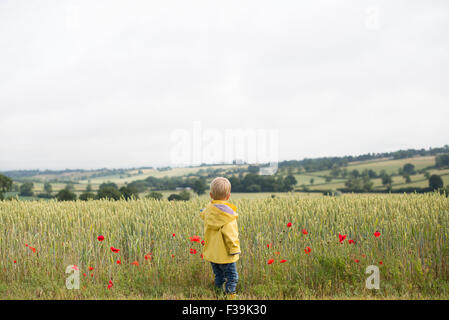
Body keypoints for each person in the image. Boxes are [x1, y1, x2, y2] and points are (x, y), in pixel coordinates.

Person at [199, 177, 240, 299]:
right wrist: (234, 249)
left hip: (212, 253)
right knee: (232, 276)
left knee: (219, 276)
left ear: (211, 195)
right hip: (226, 254)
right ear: (228, 196)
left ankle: (217, 293)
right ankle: (230, 296)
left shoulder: (208, 212)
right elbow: (230, 235)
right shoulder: (227, 216)